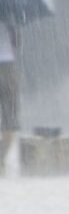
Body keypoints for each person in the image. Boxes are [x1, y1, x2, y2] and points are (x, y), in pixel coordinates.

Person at [0, 14, 19, 175]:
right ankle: (1, 159)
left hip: (8, 68)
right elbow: (16, 44)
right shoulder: (11, 15)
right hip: (7, 68)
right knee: (10, 119)